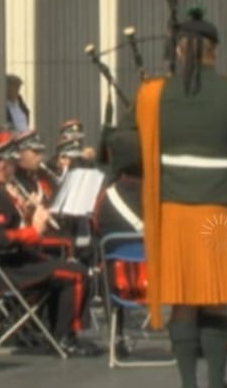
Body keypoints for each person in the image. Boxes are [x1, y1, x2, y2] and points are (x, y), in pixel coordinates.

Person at [123, 7, 227, 388]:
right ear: (213, 51)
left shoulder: (152, 95)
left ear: (179, 51)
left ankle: (189, 383)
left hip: (173, 210)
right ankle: (216, 382)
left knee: (182, 300)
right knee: (217, 297)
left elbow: (126, 148)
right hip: (221, 211)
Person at [0, 124, 101, 357]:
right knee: (76, 273)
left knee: (66, 267)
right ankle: (65, 337)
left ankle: (52, 328)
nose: (13, 166)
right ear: (1, 164)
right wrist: (34, 231)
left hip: (7, 261)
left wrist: (28, 213)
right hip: (1, 269)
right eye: (11, 162)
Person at [91, 128, 143, 356]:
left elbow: (96, 227)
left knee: (108, 262)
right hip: (160, 282)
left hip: (119, 285)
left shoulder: (105, 197)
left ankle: (117, 334)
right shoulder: (158, 194)